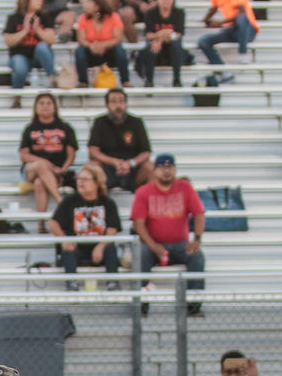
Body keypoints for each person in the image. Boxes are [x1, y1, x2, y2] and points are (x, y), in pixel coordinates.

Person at [131, 153, 207, 316]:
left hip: (179, 244)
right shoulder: (144, 192)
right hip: (152, 245)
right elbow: (139, 224)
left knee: (197, 256)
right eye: (162, 167)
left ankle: (193, 307)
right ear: (155, 171)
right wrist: (154, 246)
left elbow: (199, 214)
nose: (167, 171)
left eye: (170, 167)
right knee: (142, 254)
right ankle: (141, 306)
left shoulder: (185, 187)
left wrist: (197, 239)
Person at [48, 162, 122, 289]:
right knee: (67, 250)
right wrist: (64, 239)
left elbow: (112, 229)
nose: (80, 182)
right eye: (79, 179)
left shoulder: (108, 203)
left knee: (110, 248)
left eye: (85, 179)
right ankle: (72, 283)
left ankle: (113, 282)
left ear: (97, 182)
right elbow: (53, 223)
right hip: (77, 248)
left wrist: (100, 246)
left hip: (100, 247)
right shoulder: (69, 201)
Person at [19, 92, 78, 216]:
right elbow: (24, 156)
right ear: (36, 107)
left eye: (49, 103)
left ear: (55, 107)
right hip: (31, 170)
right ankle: (60, 201)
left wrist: (63, 169)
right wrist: (47, 164)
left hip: (56, 172)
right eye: (41, 103)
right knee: (40, 165)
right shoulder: (30, 129)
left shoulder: (65, 127)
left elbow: (71, 153)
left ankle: (41, 225)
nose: (45, 106)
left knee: (39, 183)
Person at [199, 0, 260, 76]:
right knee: (204, 41)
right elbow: (213, 9)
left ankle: (243, 54)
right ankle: (223, 71)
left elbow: (241, 13)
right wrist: (206, 21)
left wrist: (221, 22)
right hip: (233, 30)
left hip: (248, 29)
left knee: (242, 18)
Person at [87, 87, 153, 192]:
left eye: (121, 101)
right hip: (107, 169)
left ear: (126, 104)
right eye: (113, 102)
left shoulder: (136, 122)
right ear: (107, 105)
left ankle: (151, 206)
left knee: (150, 166)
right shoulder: (100, 122)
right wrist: (114, 162)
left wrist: (130, 163)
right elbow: (93, 151)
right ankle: (95, 205)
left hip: (132, 169)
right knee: (92, 165)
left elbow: (146, 152)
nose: (118, 106)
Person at [4, 0, 56, 94]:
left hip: (38, 57)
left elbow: (51, 39)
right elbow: (8, 41)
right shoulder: (14, 18)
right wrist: (25, 31)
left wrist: (37, 30)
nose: (40, 0)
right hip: (19, 56)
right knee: (20, 66)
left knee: (42, 47)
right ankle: (17, 96)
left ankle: (52, 79)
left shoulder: (45, 17)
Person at [74, 0, 129, 88]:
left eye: (88, 2)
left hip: (109, 52)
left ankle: (125, 81)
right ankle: (83, 82)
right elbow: (81, 39)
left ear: (97, 4)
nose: (84, 5)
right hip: (91, 52)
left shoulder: (113, 17)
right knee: (80, 52)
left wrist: (102, 45)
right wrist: (91, 46)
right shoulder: (82, 18)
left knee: (120, 50)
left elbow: (118, 39)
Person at [136, 0, 186, 87]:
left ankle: (177, 79)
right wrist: (164, 34)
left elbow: (178, 34)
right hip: (156, 50)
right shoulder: (150, 13)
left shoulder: (179, 13)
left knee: (176, 44)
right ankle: (149, 80)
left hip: (172, 48)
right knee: (151, 47)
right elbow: (148, 35)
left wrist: (159, 38)